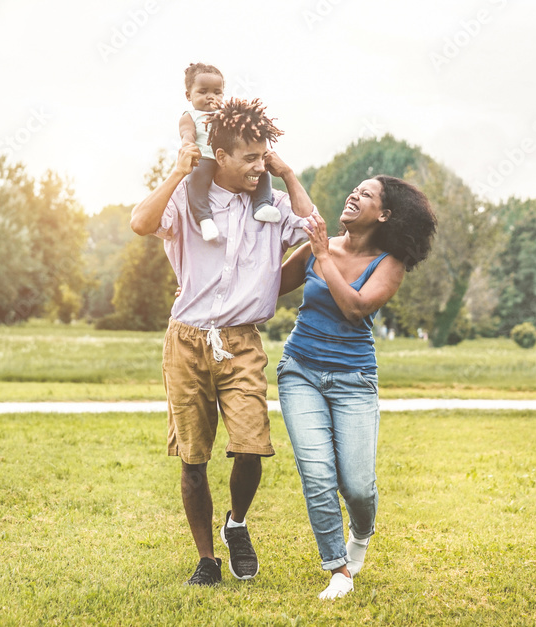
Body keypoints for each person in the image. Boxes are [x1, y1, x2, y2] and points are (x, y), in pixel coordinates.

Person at [130, 97, 314, 586]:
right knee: (193, 458)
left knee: (251, 447)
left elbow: (314, 229)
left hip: (242, 342)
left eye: (264, 155)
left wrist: (290, 176)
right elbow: (140, 223)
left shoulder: (271, 205)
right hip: (186, 340)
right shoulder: (189, 197)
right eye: (249, 157)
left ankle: (237, 523)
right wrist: (175, 173)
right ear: (221, 154)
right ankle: (206, 560)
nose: (259, 165)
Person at [276, 175, 437, 599]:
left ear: (383, 215)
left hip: (354, 380)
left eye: (366, 194)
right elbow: (269, 287)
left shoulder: (388, 262)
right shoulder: (317, 246)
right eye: (355, 189)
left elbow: (356, 307)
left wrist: (322, 254)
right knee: (316, 472)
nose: (353, 194)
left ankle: (361, 533)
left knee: (358, 486)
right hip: (300, 370)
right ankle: (338, 570)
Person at [178, 62, 278, 242]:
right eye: (203, 92)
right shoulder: (189, 117)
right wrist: (188, 145)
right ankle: (205, 219)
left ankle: (262, 204)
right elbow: (187, 134)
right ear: (188, 95)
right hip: (206, 158)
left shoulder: (224, 113)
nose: (210, 97)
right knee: (196, 181)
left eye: (217, 92)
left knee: (262, 171)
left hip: (233, 160)